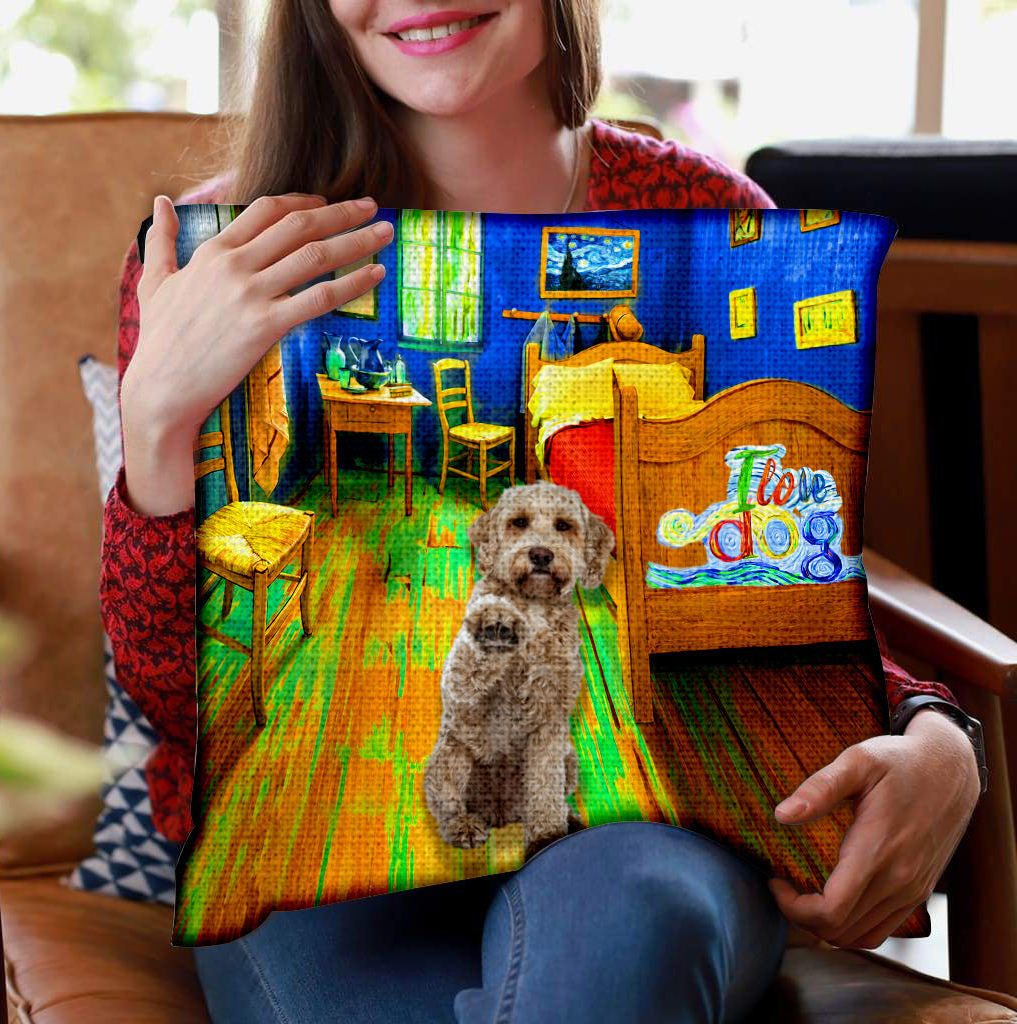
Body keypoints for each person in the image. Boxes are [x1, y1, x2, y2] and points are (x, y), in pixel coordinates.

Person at [101, 1, 982, 1020]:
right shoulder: (217, 256)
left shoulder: (705, 212)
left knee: (631, 922)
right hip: (316, 852)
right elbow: (172, 701)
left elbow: (779, 566)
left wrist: (933, 726)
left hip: (642, 834)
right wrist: (159, 430)